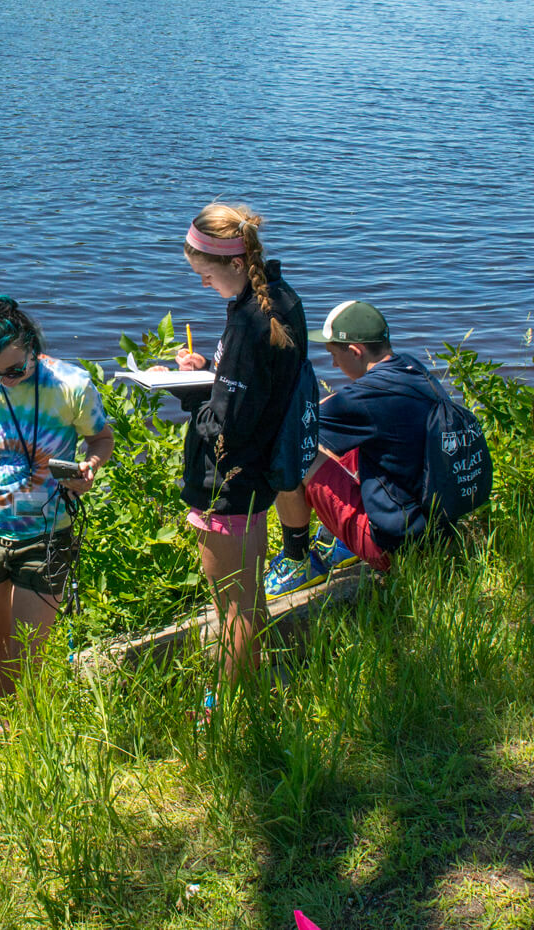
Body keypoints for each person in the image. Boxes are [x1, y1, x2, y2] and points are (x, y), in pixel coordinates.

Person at [170, 202, 326, 678]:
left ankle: (234, 717)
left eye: (206, 275)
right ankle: (256, 696)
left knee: (233, 608)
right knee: (251, 598)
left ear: (235, 264)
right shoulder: (280, 299)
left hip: (228, 483)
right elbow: (260, 385)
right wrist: (214, 373)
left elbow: (225, 423)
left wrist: (187, 393)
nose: (203, 284)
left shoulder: (246, 323)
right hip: (261, 471)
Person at [0, 296, 114, 697]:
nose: (8, 380)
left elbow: (101, 439)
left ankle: (32, 728)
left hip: (47, 532)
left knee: (27, 649)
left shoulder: (70, 385)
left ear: (34, 347)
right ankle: (7, 724)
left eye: (16, 369)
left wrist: (90, 467)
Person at [304, 300, 438, 572]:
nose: (332, 363)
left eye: (334, 354)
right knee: (349, 440)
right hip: (435, 530)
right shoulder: (411, 368)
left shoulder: (366, 398)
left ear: (355, 351)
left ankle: (298, 560)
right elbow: (338, 406)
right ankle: (338, 538)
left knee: (297, 453)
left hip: (391, 549)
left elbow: (297, 427)